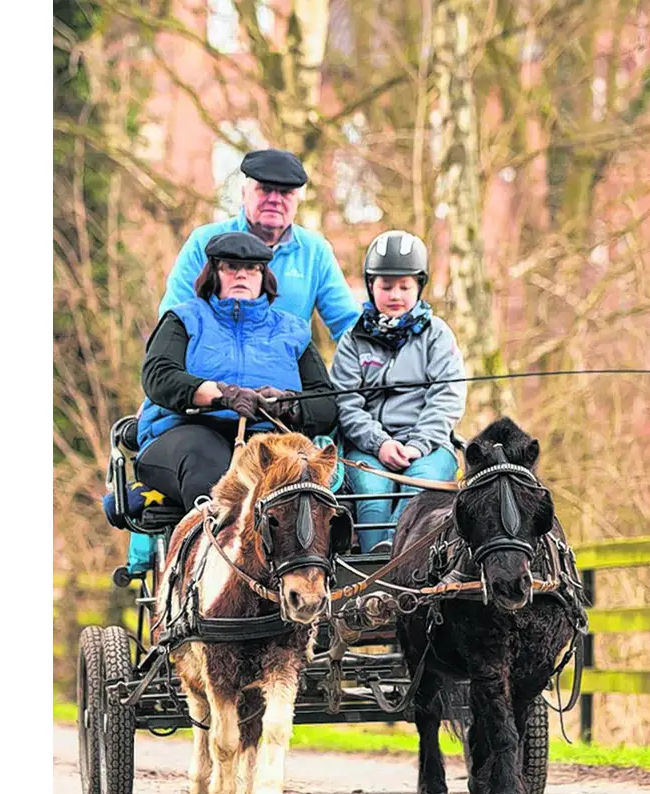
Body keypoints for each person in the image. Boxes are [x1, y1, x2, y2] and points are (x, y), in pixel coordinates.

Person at [135, 231, 339, 512]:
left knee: (301, 482)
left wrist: (286, 404)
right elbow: (158, 376)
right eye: (230, 267)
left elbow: (326, 403)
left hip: (270, 438)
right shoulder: (183, 318)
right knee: (211, 467)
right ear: (213, 274)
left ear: (264, 276)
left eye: (252, 268)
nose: (242, 275)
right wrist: (223, 394)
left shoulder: (293, 330)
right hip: (187, 432)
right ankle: (214, 538)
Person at [331, 230, 466, 553]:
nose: (395, 295)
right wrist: (380, 443)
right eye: (386, 286)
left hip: (430, 446)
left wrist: (418, 444)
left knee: (418, 490)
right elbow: (347, 403)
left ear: (419, 286)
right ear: (371, 286)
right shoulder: (353, 339)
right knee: (372, 494)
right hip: (368, 448)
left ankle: (396, 556)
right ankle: (372, 563)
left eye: (404, 287)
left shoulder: (437, 335)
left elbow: (446, 397)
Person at [159, 148, 362, 342]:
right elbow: (174, 320)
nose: (275, 200)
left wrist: (370, 359)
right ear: (244, 193)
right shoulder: (204, 242)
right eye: (265, 190)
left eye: (285, 192)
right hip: (213, 365)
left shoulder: (314, 252)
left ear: (297, 200)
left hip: (288, 365)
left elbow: (348, 323)